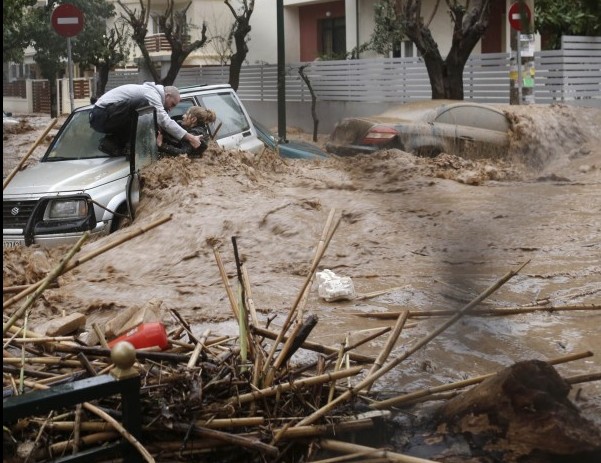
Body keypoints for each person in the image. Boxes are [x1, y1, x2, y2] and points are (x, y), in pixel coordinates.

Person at [89, 82, 202, 156]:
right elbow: (164, 119)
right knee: (145, 105)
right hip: (101, 114)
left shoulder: (151, 94)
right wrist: (191, 138)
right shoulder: (150, 94)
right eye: (172, 104)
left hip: (104, 117)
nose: (171, 109)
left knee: (149, 115)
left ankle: (112, 143)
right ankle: (131, 147)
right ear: (167, 95)